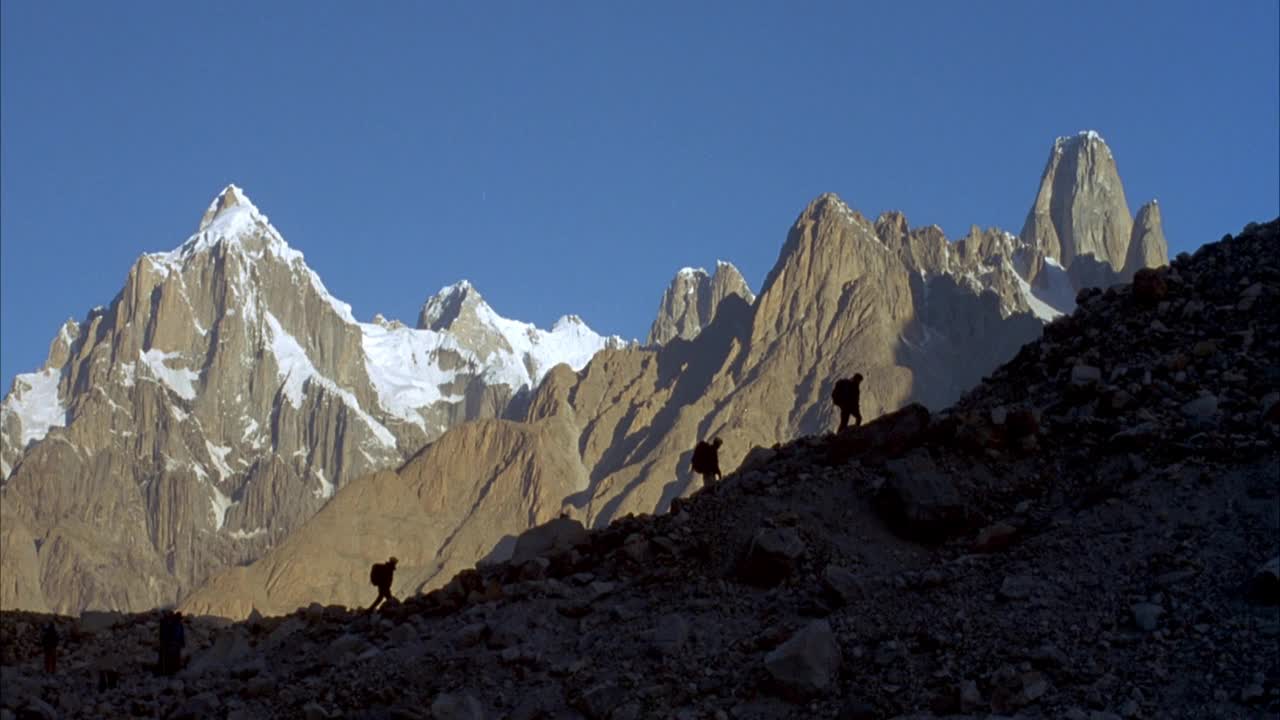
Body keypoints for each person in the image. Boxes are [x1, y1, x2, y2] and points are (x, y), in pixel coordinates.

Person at [158, 611, 185, 676]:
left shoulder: (176, 624)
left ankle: (172, 671)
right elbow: (167, 634)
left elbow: (181, 634)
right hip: (172, 643)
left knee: (172, 658)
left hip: (173, 643)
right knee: (170, 658)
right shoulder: (171, 623)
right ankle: (169, 671)